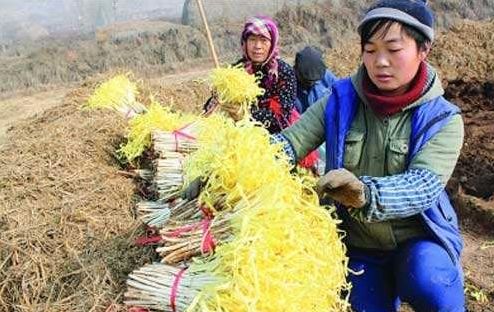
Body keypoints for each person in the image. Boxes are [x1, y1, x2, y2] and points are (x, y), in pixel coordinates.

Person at [272, 0, 465, 311]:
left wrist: (365, 194)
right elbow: (290, 142)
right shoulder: (339, 100)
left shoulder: (442, 118)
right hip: (360, 245)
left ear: (422, 50)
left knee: (432, 283)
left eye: (393, 49)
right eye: (370, 50)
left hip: (417, 240)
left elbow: (424, 185)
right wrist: (238, 159)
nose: (381, 62)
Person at [204, 16, 297, 134]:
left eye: (264, 40)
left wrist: (246, 115)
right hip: (238, 136)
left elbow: (283, 115)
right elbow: (210, 107)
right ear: (245, 43)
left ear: (272, 43)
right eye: (252, 39)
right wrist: (217, 105)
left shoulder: (284, 72)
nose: (257, 46)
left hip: (275, 138)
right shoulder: (234, 72)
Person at [293, 46, 337, 114]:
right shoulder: (289, 86)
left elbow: (340, 91)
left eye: (314, 81)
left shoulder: (323, 74)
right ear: (296, 70)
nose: (311, 84)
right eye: (307, 81)